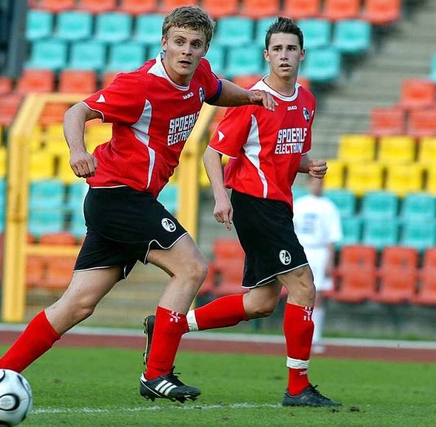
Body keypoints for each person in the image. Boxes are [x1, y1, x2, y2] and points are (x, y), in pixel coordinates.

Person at [0, 6, 275, 403]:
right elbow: (76, 111)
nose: (186, 50)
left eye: (195, 44)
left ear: (204, 49)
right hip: (119, 196)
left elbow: (216, 89)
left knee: (78, 304)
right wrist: (78, 151)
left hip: (124, 200)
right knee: (192, 268)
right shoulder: (138, 86)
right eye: (178, 42)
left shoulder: (199, 75)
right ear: (163, 43)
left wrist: (251, 96)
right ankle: (157, 374)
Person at [143, 17, 342, 407]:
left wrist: (307, 165)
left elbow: (281, 154)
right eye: (277, 49)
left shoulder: (306, 101)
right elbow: (213, 154)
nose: (284, 56)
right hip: (254, 204)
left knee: (262, 303)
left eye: (291, 49)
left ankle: (171, 326)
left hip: (279, 208)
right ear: (267, 55)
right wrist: (221, 197)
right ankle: (298, 388)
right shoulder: (251, 100)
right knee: (303, 285)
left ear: (302, 55)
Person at [293, 176, 343, 354]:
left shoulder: (329, 207)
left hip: (319, 252)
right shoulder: (299, 204)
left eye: (319, 182)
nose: (316, 185)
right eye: (313, 182)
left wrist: (330, 260)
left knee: (318, 294)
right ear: (308, 184)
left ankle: (316, 337)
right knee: (299, 294)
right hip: (302, 250)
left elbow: (332, 237)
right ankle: (297, 335)